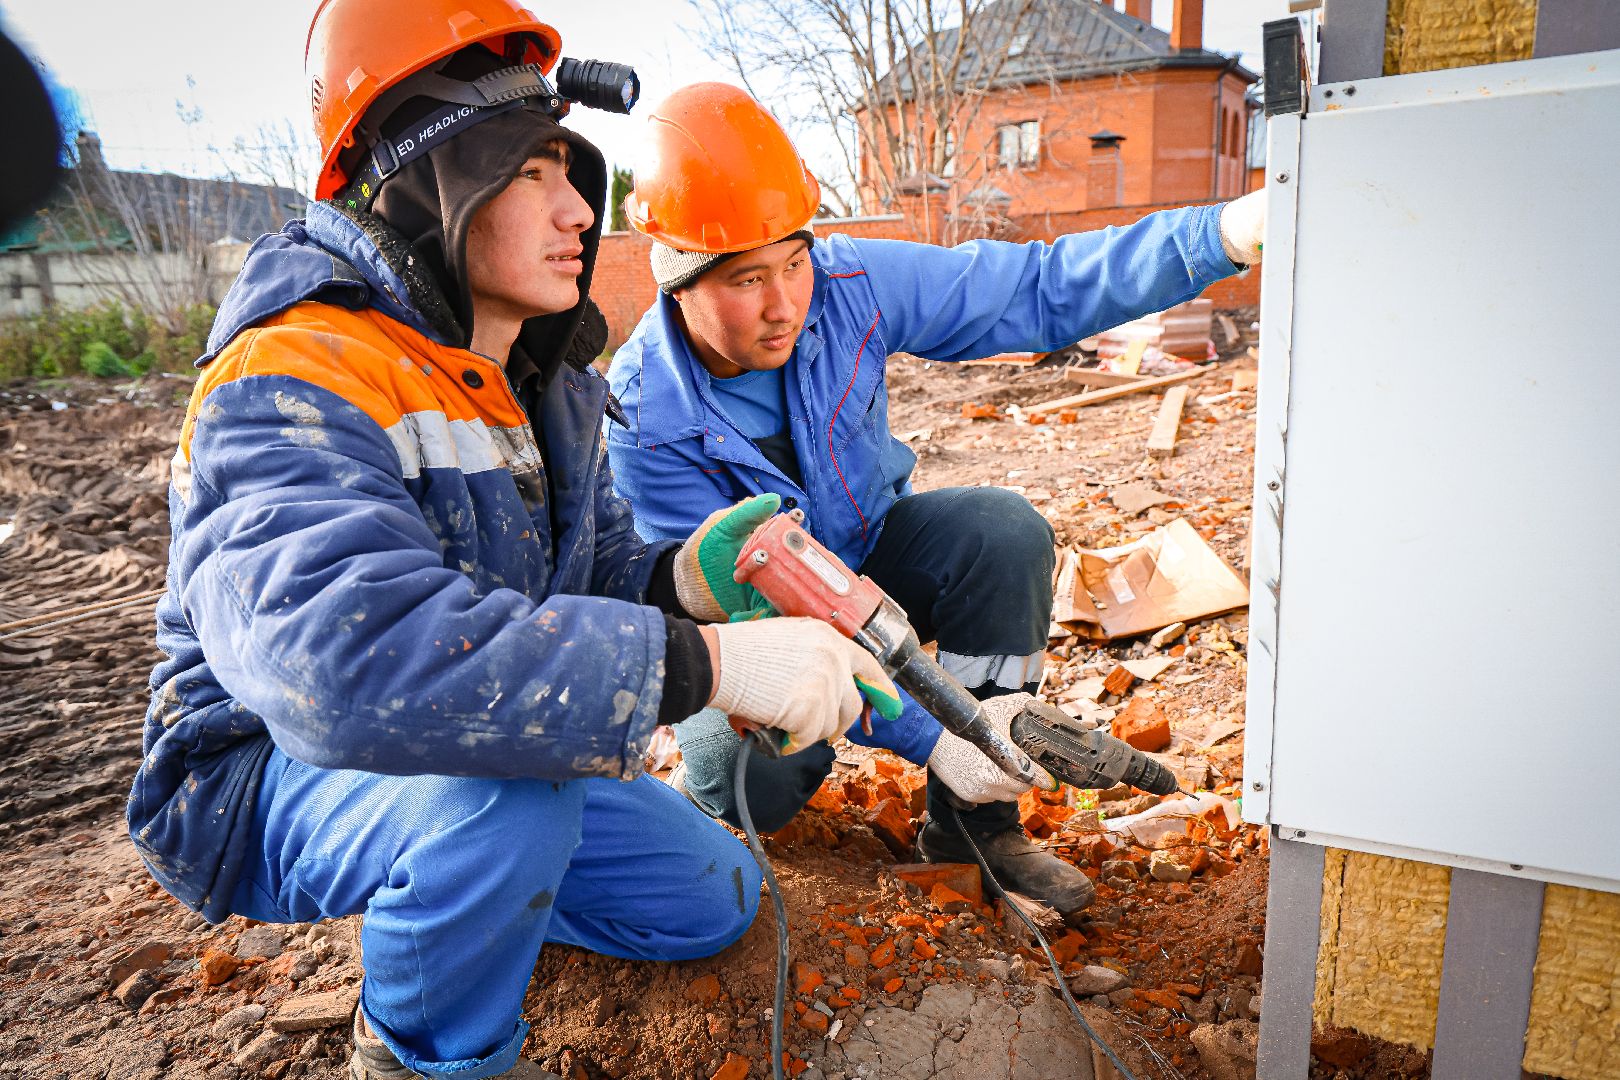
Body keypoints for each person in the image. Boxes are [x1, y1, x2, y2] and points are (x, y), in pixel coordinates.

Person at [127, 8, 898, 1079]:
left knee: (710, 896)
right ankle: (418, 1051)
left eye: (572, 170)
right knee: (499, 814)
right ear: (435, 176)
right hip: (263, 773)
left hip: (457, 747)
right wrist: (709, 666)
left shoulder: (543, 372)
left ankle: (463, 906)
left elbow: (594, 574)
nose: (582, 208)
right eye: (535, 170)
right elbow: (346, 667)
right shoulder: (288, 376)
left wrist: (686, 581)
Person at [606, 83, 1265, 924]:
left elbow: (1033, 288)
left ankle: (975, 827)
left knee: (1000, 534)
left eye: (793, 263)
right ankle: (721, 824)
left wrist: (1219, 238)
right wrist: (940, 737)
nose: (785, 305)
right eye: (745, 279)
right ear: (680, 285)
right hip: (759, 631)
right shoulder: (645, 414)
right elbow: (728, 615)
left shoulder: (850, 284)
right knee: (751, 783)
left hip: (870, 550)